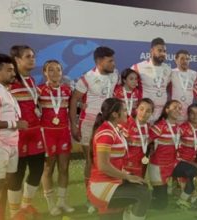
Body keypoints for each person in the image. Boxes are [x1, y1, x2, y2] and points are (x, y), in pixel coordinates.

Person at [70, 46, 119, 213]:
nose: (114, 63)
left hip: (108, 124)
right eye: (110, 61)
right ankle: (90, 198)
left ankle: (107, 194)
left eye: (113, 60)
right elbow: (74, 100)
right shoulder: (86, 78)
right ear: (99, 61)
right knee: (91, 161)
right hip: (89, 124)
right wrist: (74, 125)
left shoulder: (116, 74)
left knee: (108, 160)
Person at [87, 98, 151, 220]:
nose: (128, 113)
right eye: (125, 110)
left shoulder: (114, 129)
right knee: (143, 194)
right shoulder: (106, 133)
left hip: (113, 181)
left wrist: (128, 175)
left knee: (142, 185)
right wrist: (127, 176)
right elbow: (103, 166)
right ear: (115, 114)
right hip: (101, 185)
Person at [0, 54, 27, 220]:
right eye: (9, 70)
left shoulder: (5, 91)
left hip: (11, 146)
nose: (13, 73)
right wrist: (14, 124)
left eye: (13, 70)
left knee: (4, 187)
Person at [9, 45, 44, 218]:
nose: (32, 59)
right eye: (28, 56)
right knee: (17, 173)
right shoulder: (9, 82)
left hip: (35, 132)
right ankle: (15, 212)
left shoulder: (31, 80)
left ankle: (25, 206)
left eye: (33, 56)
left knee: (37, 170)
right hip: (18, 134)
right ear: (17, 60)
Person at [38, 60, 74, 216]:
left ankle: (62, 201)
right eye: (50, 70)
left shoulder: (67, 90)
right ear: (44, 73)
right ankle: (51, 203)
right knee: (48, 169)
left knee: (64, 168)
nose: (55, 73)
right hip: (47, 134)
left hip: (64, 132)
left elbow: (75, 107)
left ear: (62, 72)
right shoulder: (39, 91)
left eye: (58, 70)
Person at [148, 100, 182, 209]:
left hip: (171, 165)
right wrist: (150, 149)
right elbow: (146, 142)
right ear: (167, 110)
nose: (178, 110)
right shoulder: (160, 126)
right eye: (175, 107)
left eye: (179, 108)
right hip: (158, 166)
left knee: (193, 170)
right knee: (162, 205)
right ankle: (146, 200)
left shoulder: (178, 128)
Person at [174, 104, 197, 209]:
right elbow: (173, 146)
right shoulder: (182, 128)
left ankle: (193, 197)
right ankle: (183, 199)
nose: (195, 115)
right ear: (188, 115)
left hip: (190, 161)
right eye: (192, 113)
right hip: (179, 160)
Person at [131, 37, 172, 124]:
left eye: (164, 51)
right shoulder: (138, 67)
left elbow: (168, 87)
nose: (163, 53)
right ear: (151, 51)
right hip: (144, 114)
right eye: (159, 50)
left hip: (161, 114)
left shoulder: (168, 69)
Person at [123, 98, 154, 178]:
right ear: (136, 109)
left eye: (148, 111)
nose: (144, 113)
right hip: (123, 167)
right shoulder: (126, 124)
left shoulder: (149, 128)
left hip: (139, 166)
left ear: (151, 113)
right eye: (141, 109)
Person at [170, 50, 197, 123]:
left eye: (187, 59)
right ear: (176, 60)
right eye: (182, 58)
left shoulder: (194, 74)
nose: (185, 61)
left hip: (189, 113)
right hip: (175, 112)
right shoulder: (171, 73)